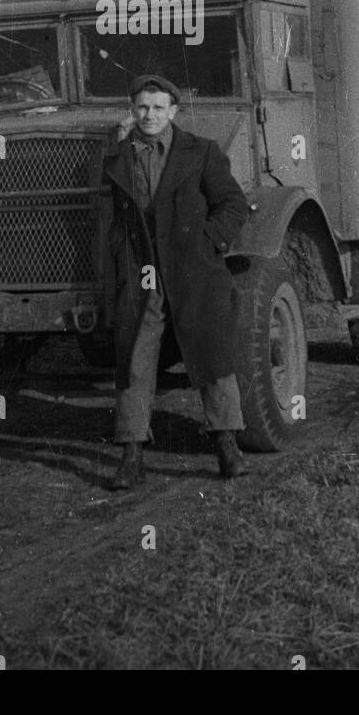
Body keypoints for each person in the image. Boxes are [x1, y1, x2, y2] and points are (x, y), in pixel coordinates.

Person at [103, 74, 250, 488]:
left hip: (194, 273)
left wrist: (208, 242)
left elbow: (233, 204)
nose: (149, 115)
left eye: (157, 107)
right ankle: (132, 457)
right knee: (134, 359)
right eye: (142, 108)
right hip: (142, 275)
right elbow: (114, 218)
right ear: (133, 111)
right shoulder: (118, 158)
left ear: (173, 112)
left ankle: (227, 448)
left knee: (211, 356)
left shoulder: (201, 153)